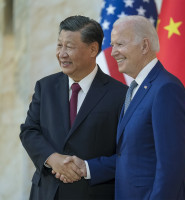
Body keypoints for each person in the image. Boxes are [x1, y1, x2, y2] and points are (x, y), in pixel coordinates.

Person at [62, 15, 185, 200]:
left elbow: (171, 166)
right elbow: (131, 156)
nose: (113, 52)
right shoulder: (135, 90)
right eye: (113, 45)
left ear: (144, 46)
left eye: (120, 44)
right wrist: (87, 167)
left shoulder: (165, 89)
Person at [20, 15, 127, 200]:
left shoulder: (120, 95)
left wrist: (86, 168)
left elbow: (127, 153)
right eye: (59, 45)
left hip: (93, 193)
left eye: (69, 47)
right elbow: (29, 131)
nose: (61, 53)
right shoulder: (44, 87)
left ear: (93, 49)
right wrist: (52, 159)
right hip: (45, 193)